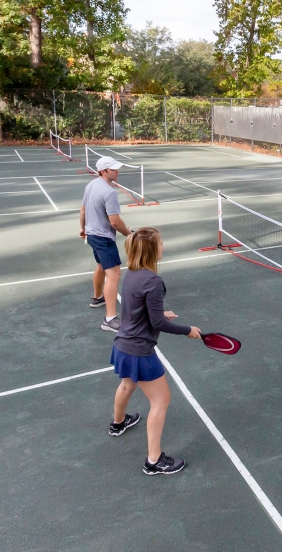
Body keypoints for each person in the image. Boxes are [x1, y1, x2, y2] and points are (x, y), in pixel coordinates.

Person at [109, 227, 202, 475]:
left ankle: (118, 424)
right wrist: (187, 330)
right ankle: (154, 461)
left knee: (127, 386)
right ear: (152, 250)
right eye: (161, 243)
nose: (164, 246)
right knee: (161, 400)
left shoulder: (132, 274)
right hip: (139, 351)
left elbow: (138, 309)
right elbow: (157, 323)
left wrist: (160, 313)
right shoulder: (153, 281)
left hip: (121, 345)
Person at [79, 155, 132, 332]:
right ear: (104, 171)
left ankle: (97, 298)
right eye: (114, 169)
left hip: (92, 234)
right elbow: (115, 222)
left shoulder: (91, 185)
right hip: (103, 238)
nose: (117, 172)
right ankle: (109, 319)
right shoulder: (109, 193)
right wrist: (128, 234)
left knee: (101, 266)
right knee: (114, 274)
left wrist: (82, 228)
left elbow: (83, 209)